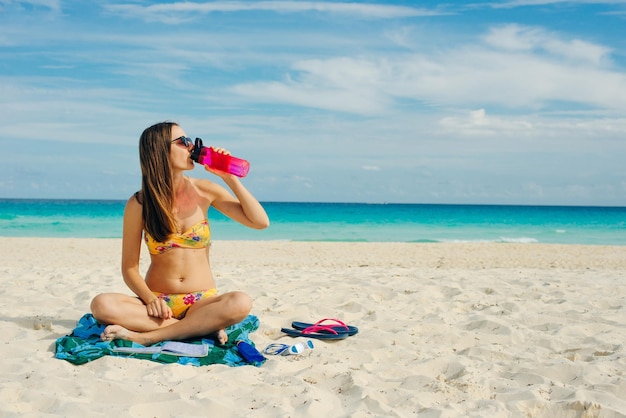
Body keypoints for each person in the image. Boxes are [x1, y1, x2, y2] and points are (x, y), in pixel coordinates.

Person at [90, 121, 269, 346]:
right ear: (159, 150)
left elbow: (260, 222)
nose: (192, 147)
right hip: (158, 304)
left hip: (202, 302)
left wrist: (228, 177)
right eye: (183, 142)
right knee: (101, 304)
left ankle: (149, 336)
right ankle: (200, 328)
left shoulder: (205, 190)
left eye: (191, 141)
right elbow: (129, 268)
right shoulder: (140, 203)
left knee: (241, 302)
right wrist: (150, 299)